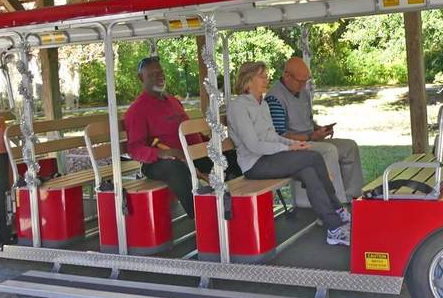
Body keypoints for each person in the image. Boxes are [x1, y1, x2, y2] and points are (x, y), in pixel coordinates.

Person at [226, 61, 351, 246]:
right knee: (314, 157)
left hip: (273, 158)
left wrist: (295, 144)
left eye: (266, 75)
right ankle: (337, 210)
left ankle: (333, 228)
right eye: (261, 76)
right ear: (248, 81)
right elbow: (253, 146)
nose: (266, 79)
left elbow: (274, 137)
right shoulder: (238, 107)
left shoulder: (262, 103)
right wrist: (288, 149)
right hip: (255, 164)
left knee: (309, 170)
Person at [124, 55, 241, 219]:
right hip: (160, 162)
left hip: (190, 155)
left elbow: (189, 132)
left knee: (229, 155)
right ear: (140, 78)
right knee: (176, 169)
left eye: (160, 72)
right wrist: (165, 153)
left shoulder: (173, 101)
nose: (159, 76)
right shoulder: (137, 110)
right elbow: (134, 149)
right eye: (152, 74)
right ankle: (203, 217)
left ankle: (238, 205)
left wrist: (209, 143)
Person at [265, 57, 364, 204]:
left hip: (310, 139)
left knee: (349, 146)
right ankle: (336, 203)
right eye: (300, 81)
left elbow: (307, 121)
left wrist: (320, 130)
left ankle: (353, 197)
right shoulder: (275, 98)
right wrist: (311, 136)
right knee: (329, 150)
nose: (304, 85)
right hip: (292, 146)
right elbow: (280, 135)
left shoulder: (302, 90)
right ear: (287, 76)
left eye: (306, 81)